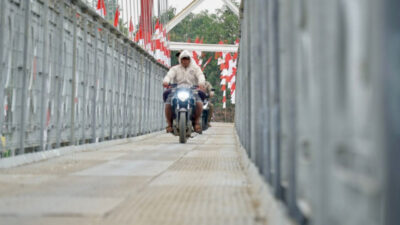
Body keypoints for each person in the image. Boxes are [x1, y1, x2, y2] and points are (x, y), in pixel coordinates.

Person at [163, 50, 205, 133]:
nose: (185, 61)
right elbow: (169, 75)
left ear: (190, 60)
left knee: (199, 103)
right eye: (183, 59)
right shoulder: (175, 68)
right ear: (180, 60)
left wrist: (201, 83)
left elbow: (200, 76)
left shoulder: (195, 68)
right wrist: (166, 81)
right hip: (177, 90)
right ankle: (169, 124)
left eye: (187, 59)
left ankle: (196, 122)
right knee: (168, 103)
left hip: (192, 90)